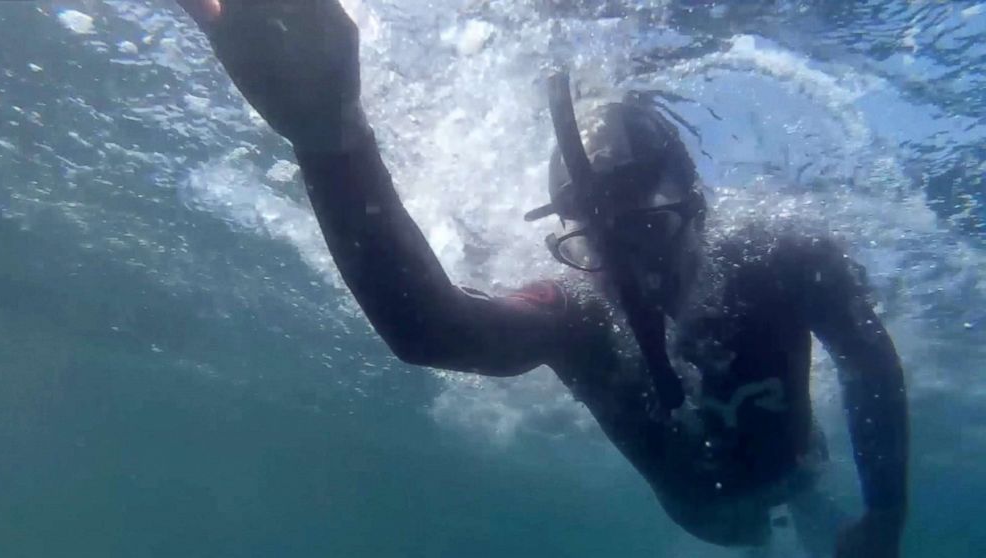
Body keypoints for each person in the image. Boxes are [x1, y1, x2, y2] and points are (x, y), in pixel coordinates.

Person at [176, 1, 908, 556]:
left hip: (795, 466)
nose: (633, 276)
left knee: (813, 506)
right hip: (710, 519)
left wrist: (882, 514)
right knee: (753, 539)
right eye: (596, 246)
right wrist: (329, 139)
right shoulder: (580, 314)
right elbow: (433, 331)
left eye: (649, 231)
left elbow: (872, 366)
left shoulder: (787, 263)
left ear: (700, 205)